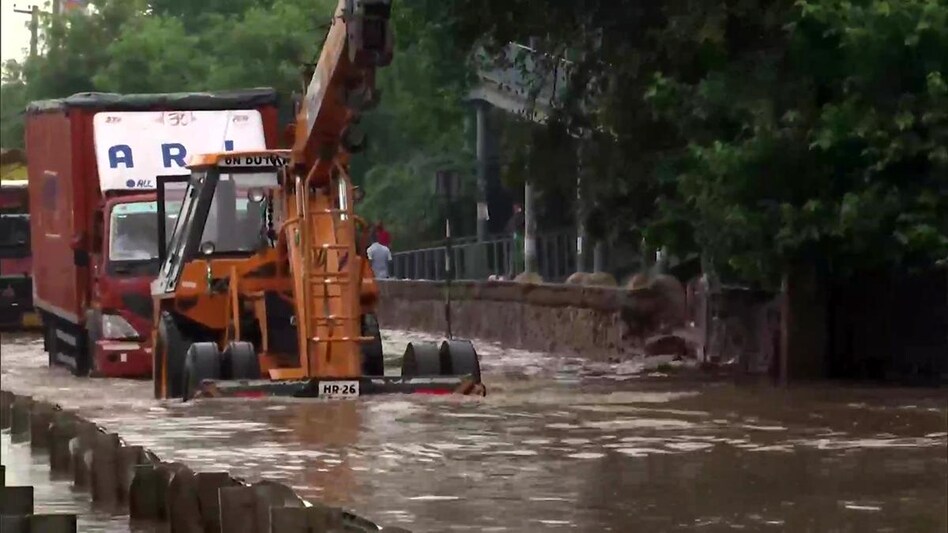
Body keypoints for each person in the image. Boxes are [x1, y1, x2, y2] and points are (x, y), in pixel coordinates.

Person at [505, 203, 524, 277]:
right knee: (516, 255)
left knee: (516, 255)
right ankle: (514, 272)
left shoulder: (518, 217)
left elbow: (509, 227)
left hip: (518, 237)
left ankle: (514, 272)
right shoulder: (518, 217)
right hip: (517, 237)